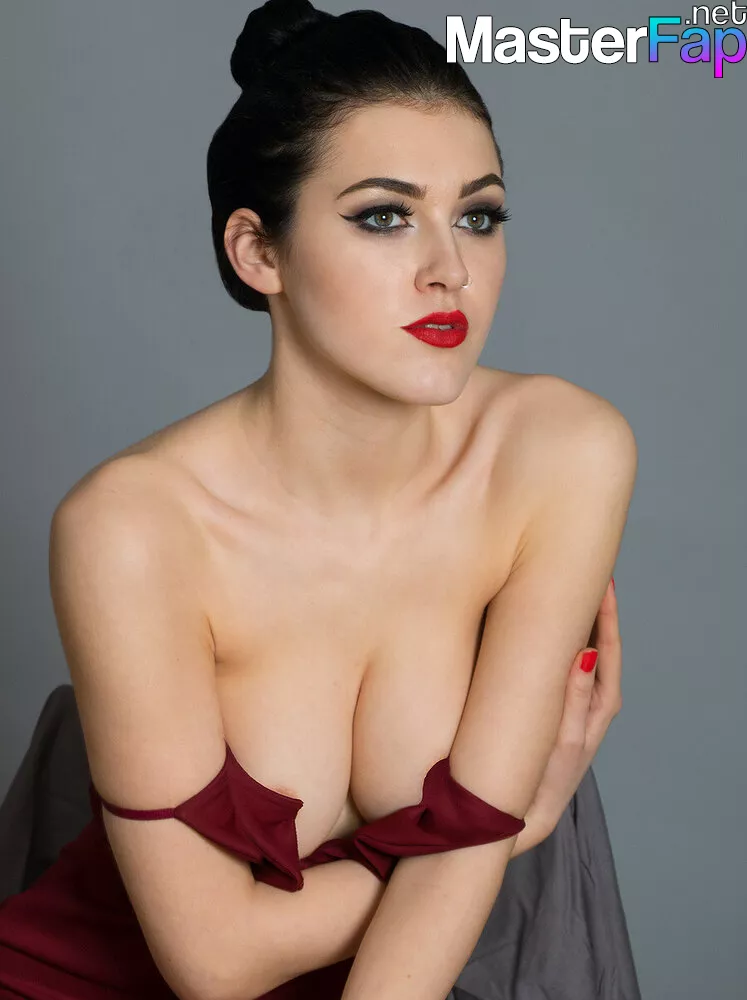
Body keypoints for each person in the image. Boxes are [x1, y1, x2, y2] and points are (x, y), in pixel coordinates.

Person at [0, 1, 637, 998]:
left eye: (478, 215)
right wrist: (514, 825)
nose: (450, 269)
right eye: (385, 216)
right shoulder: (133, 528)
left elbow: (455, 866)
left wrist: (482, 833)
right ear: (258, 252)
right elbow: (217, 962)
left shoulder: (562, 452)